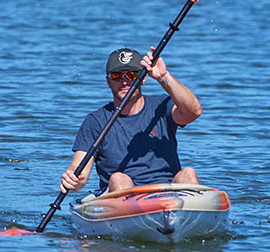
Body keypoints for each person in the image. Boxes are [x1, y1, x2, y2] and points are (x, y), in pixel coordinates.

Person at [60, 47, 202, 197]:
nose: (125, 81)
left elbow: (193, 112)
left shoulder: (161, 106)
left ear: (143, 78)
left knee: (188, 174)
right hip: (121, 197)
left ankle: (190, 217)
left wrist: (164, 77)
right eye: (117, 76)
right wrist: (73, 180)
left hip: (167, 194)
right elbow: (79, 172)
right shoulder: (95, 121)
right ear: (108, 81)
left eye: (132, 75)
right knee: (119, 178)